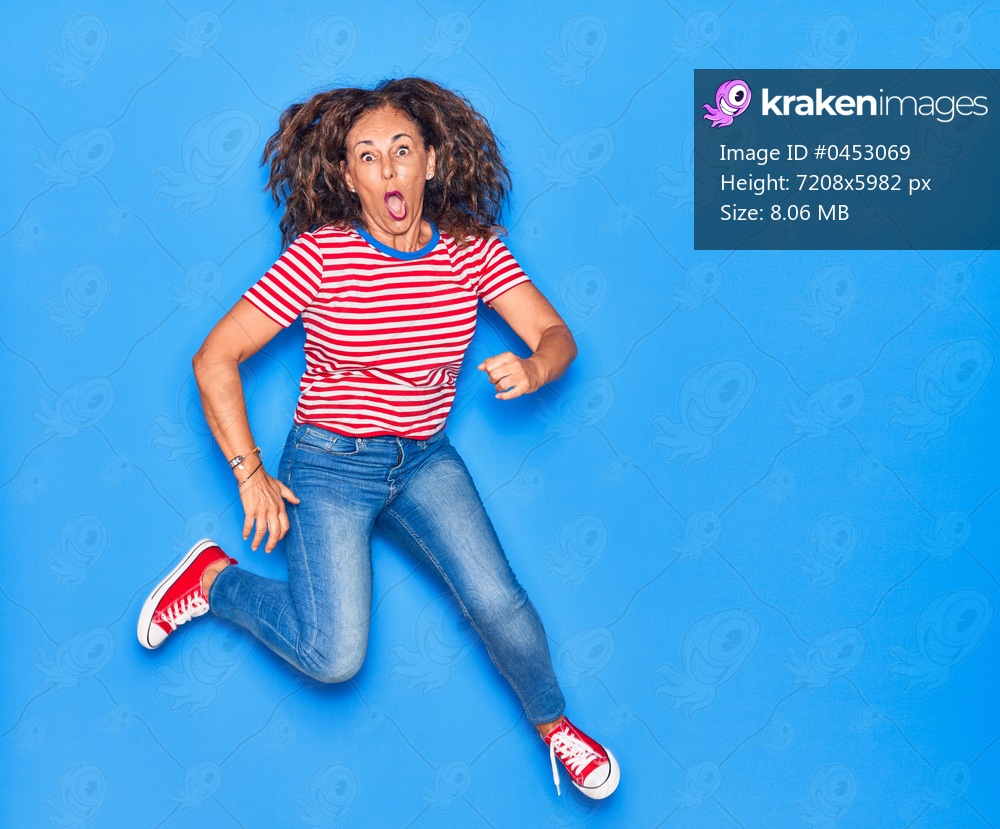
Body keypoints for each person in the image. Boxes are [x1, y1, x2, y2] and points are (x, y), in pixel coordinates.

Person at [137, 77, 620, 800]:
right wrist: (249, 473)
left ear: (429, 161)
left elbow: (556, 335)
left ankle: (554, 725)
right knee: (333, 656)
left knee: (500, 603)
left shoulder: (472, 251)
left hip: (425, 459)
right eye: (368, 156)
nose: (388, 169)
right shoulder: (321, 258)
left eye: (401, 150)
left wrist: (535, 365)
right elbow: (215, 358)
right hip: (329, 466)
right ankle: (211, 580)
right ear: (348, 176)